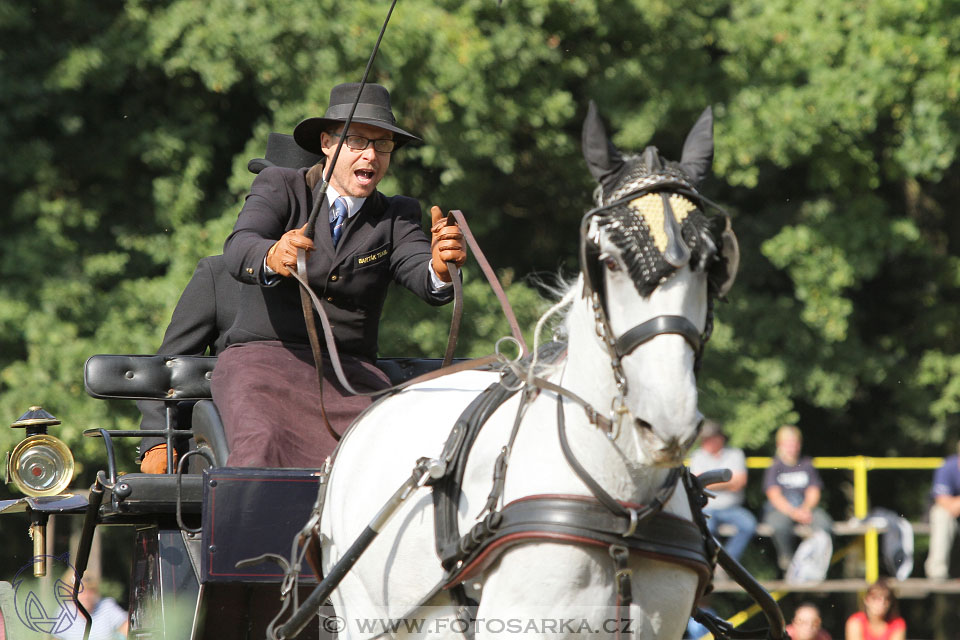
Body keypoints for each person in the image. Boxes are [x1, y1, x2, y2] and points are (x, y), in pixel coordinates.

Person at [213, 82, 467, 468]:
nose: (371, 155)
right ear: (327, 143)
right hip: (263, 362)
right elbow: (239, 246)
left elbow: (422, 273)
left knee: (392, 456)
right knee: (262, 444)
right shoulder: (281, 186)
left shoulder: (396, 214)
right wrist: (271, 254)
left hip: (352, 374)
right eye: (358, 141)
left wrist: (440, 267)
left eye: (383, 145)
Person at [138, 134, 322, 473]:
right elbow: (167, 365)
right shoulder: (218, 275)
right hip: (229, 437)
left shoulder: (337, 276)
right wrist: (158, 442)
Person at [762, 425, 833, 572]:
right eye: (788, 443)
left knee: (825, 524)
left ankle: (815, 562)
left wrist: (805, 509)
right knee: (779, 524)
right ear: (779, 445)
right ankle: (787, 559)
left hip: (805, 507)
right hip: (781, 509)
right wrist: (793, 512)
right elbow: (773, 495)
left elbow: (814, 491)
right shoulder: (775, 466)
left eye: (795, 443)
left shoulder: (806, 464)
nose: (792, 447)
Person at [689, 419, 757, 563]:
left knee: (749, 525)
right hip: (707, 509)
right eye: (704, 439)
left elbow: (740, 482)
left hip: (732, 508)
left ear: (719, 438)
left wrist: (709, 481)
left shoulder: (735, 454)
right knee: (706, 530)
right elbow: (698, 483)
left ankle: (727, 563)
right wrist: (727, 482)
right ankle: (711, 562)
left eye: (708, 439)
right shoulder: (697, 456)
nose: (704, 442)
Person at [924, 442, 960, 580]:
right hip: (948, 514)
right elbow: (945, 503)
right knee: (941, 514)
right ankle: (937, 572)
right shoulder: (947, 467)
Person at [56, 573, 128, 640]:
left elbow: (127, 629)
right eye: (80, 592)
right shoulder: (64, 611)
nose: (85, 596)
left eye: (89, 591)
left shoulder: (106, 606)